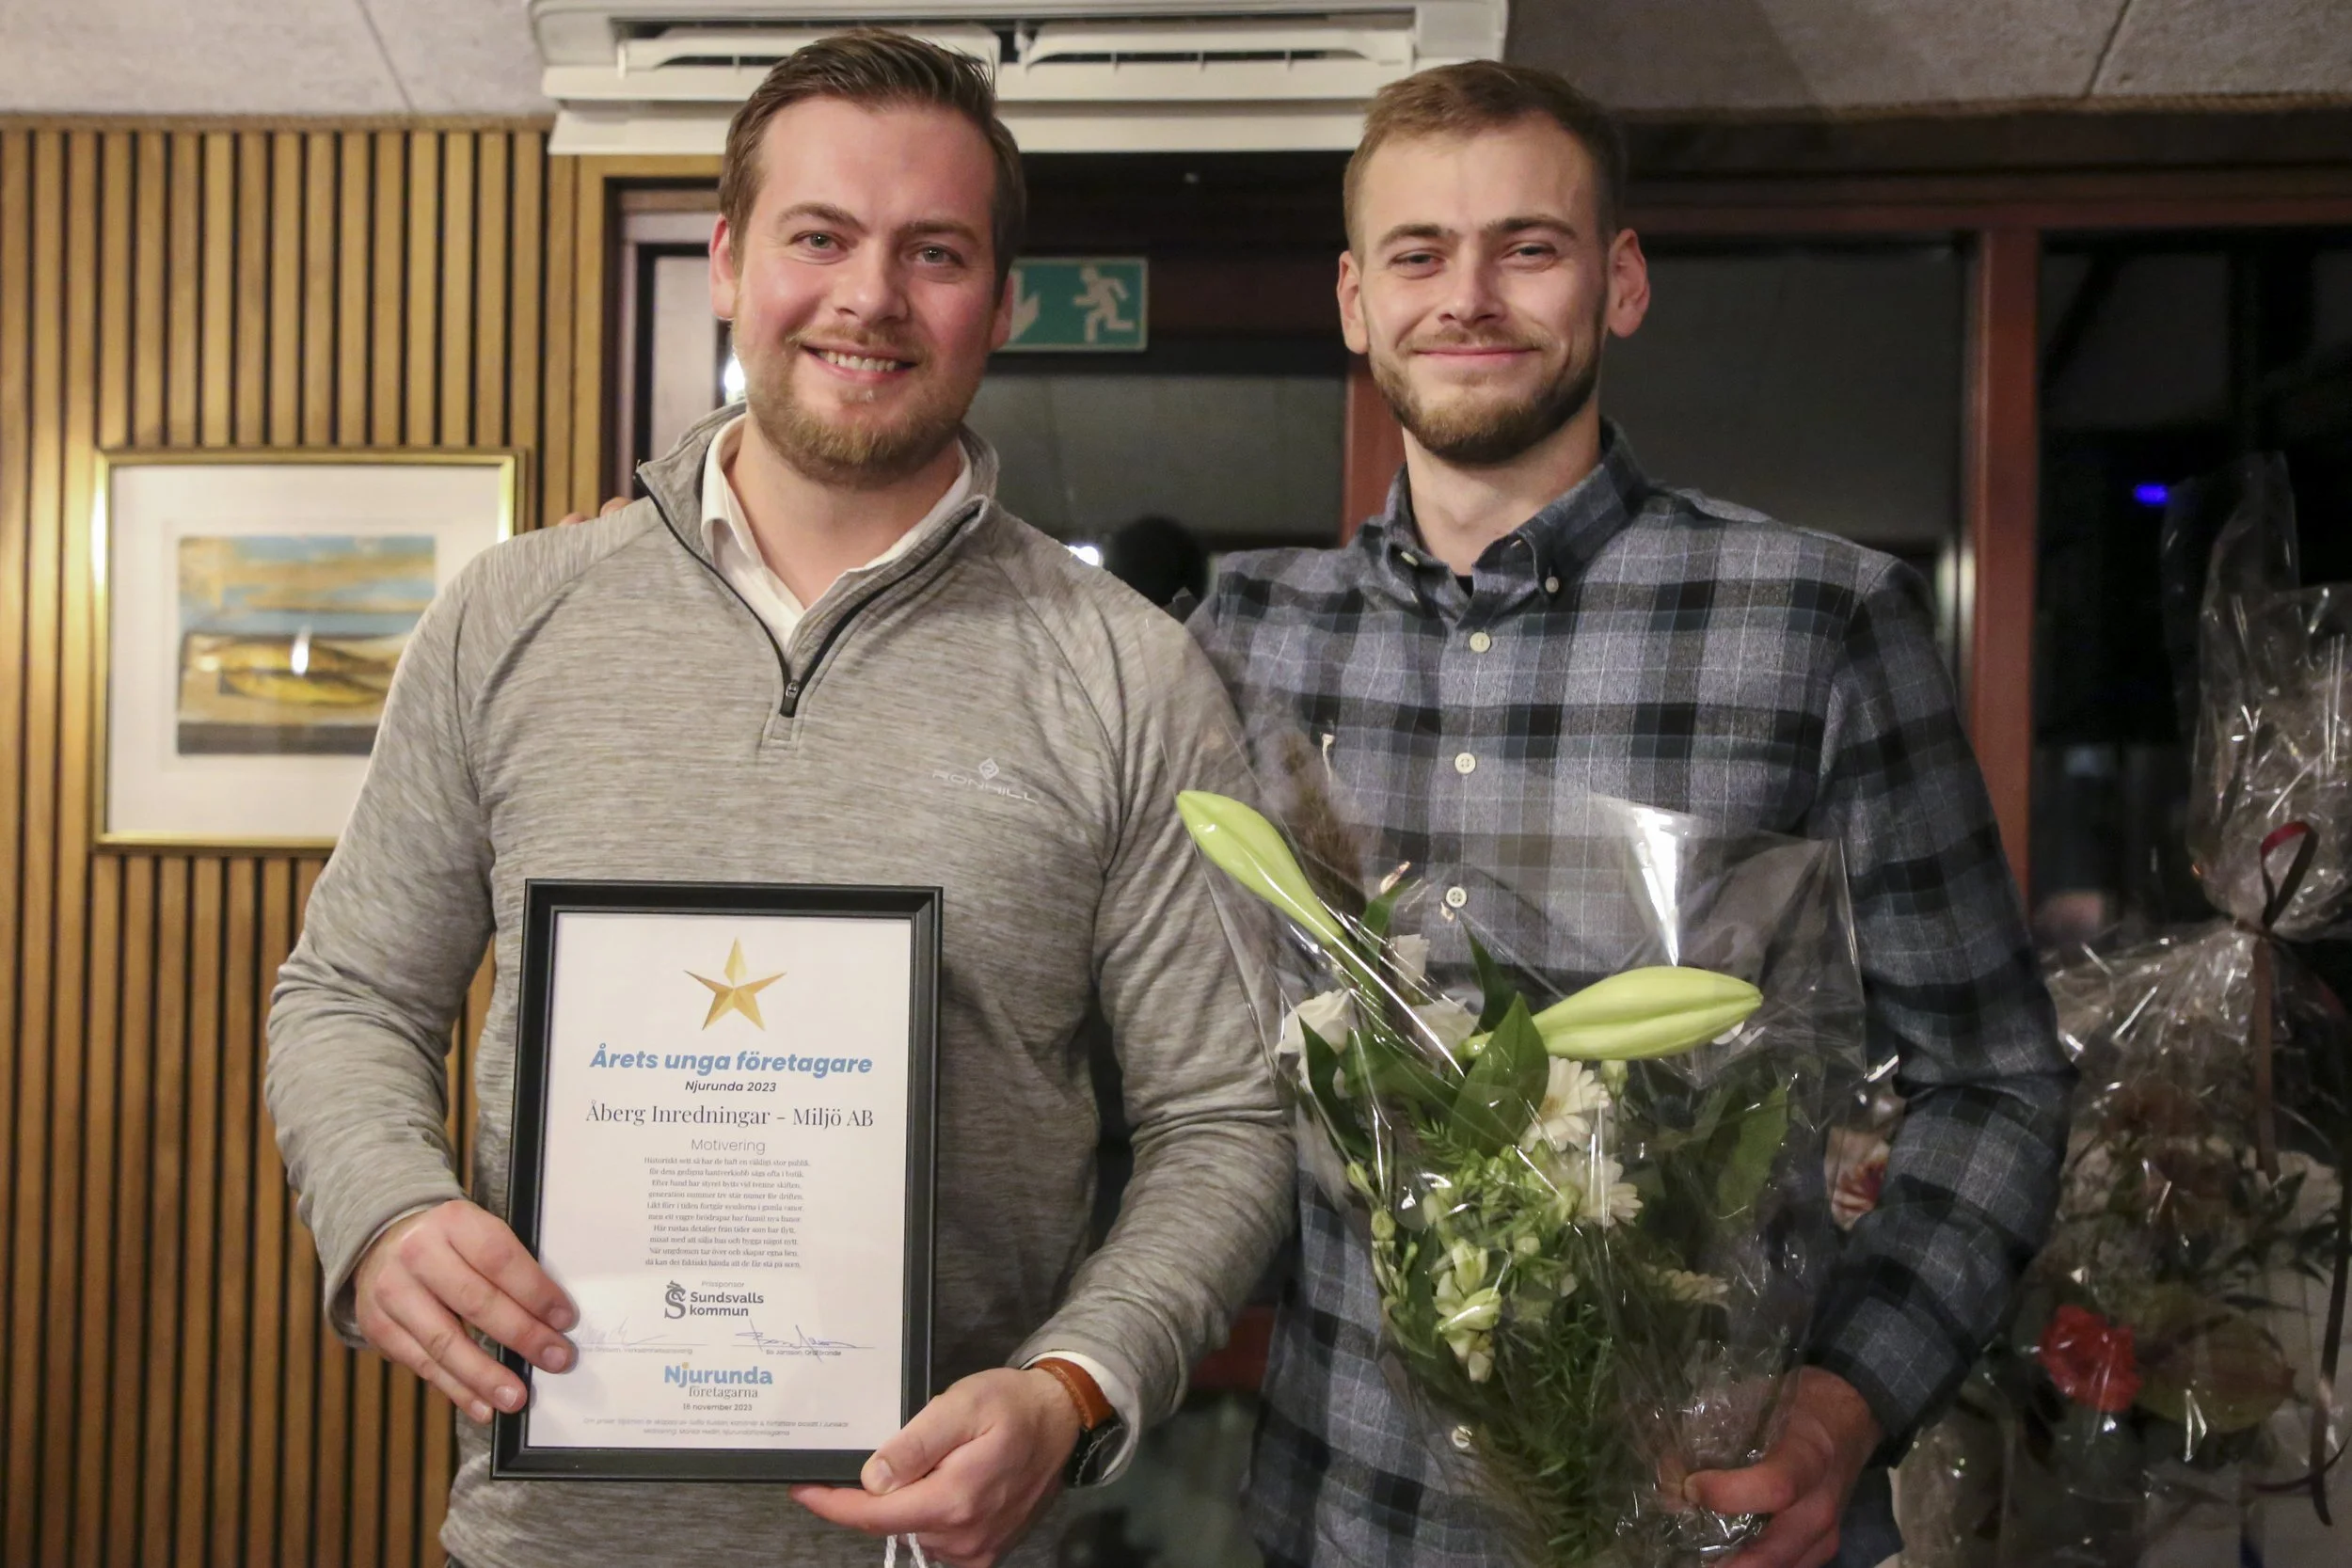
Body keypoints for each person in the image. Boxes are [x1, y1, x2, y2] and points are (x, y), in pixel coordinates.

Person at [266, 31, 1292, 1568]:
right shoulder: (510, 616)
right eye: (821, 236)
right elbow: (348, 992)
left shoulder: (1128, 675)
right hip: (549, 1543)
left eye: (934, 252)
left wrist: (1075, 1384)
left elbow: (1224, 1115)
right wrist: (387, 1208)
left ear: (1001, 302)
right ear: (730, 262)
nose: (870, 295)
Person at [1188, 61, 2072, 1568]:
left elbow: (1993, 1080)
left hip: (1694, 1521)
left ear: (1623, 281)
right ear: (1354, 299)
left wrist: (1846, 1402)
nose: (1468, 296)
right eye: (1418, 253)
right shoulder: (1246, 636)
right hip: (1338, 1517)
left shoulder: (1813, 621)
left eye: (1527, 247)